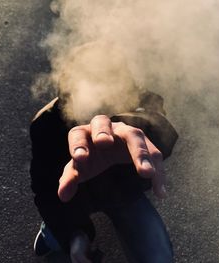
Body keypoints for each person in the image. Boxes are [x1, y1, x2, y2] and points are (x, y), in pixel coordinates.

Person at [29, 42, 178, 262]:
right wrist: (74, 235)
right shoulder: (46, 124)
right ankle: (53, 230)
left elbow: (160, 123)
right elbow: (45, 190)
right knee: (59, 231)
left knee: (159, 257)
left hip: (121, 194)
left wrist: (134, 126)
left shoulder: (137, 102)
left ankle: (56, 231)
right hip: (73, 196)